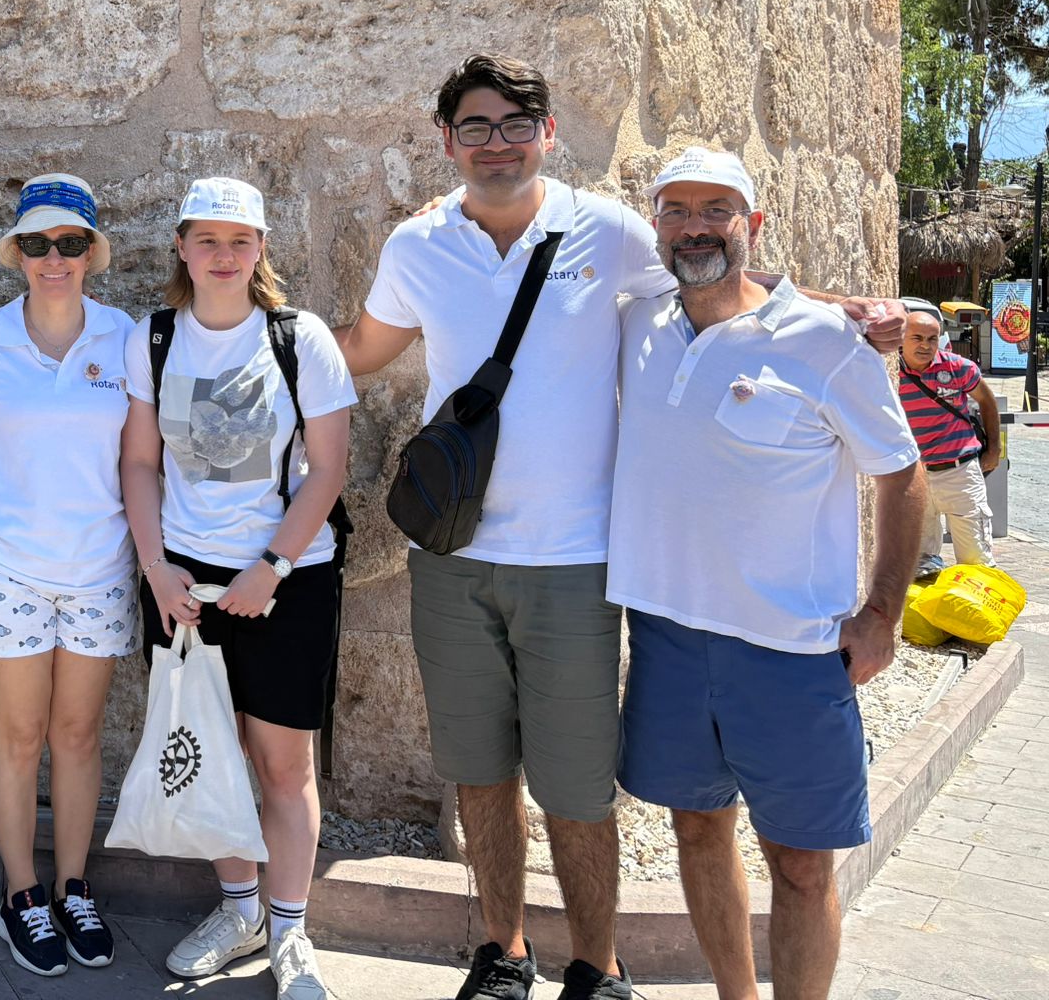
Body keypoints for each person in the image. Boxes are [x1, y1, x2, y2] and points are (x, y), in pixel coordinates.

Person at [331, 55, 903, 1000]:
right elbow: (358, 348)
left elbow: (726, 280)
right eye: (475, 127)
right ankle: (504, 953)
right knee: (480, 775)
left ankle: (596, 968)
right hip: (452, 556)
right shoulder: (416, 244)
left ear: (548, 134)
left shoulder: (609, 229)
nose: (496, 144)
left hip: (576, 564)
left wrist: (852, 311)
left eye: (516, 125)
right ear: (447, 141)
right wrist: (243, 332)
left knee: (577, 786)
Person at [609, 148, 925, 1000]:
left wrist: (882, 613)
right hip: (668, 635)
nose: (695, 227)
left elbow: (901, 470)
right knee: (697, 829)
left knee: (802, 865)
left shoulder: (825, 343)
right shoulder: (638, 322)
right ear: (656, 227)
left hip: (792, 650)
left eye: (717, 210)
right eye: (677, 211)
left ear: (753, 223)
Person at [120, 177, 356, 1000]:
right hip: (183, 585)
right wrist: (156, 569)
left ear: (261, 250)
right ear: (181, 248)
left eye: (240, 241)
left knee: (284, 767)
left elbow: (329, 468)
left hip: (288, 579)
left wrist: (272, 568)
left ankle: (291, 931)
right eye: (207, 240)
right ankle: (240, 910)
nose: (224, 256)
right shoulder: (154, 338)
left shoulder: (299, 338)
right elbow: (139, 463)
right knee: (210, 755)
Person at [0, 174, 136, 977]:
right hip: (1, 566)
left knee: (76, 737)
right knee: (16, 737)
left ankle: (73, 887)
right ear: (17, 253)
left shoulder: (125, 338)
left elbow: (143, 459)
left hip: (98, 570)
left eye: (70, 243)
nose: (54, 258)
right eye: (37, 243)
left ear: (91, 253)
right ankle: (21, 896)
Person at [898, 303, 1002, 573]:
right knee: (919, 564)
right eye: (917, 338)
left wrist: (994, 449)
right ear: (902, 338)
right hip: (914, 476)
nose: (925, 345)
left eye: (932, 339)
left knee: (976, 559)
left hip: (960, 472)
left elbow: (987, 401)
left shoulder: (958, 368)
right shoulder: (889, 372)